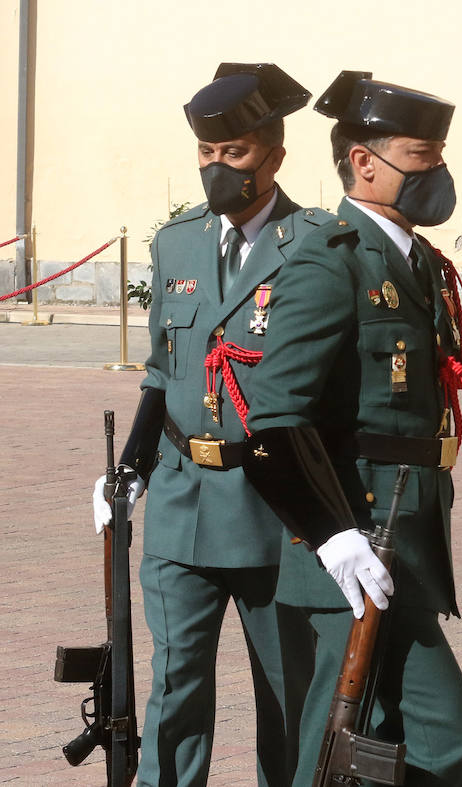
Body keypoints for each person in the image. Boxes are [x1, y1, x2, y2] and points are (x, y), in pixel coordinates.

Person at [240, 70, 462, 786]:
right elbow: (273, 419)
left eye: (440, 154)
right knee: (431, 738)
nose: (435, 171)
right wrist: (332, 533)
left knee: (362, 740)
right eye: (420, 155)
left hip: (405, 535)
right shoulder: (329, 258)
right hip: (356, 541)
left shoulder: (417, 261)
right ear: (364, 162)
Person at [88, 62, 323, 786]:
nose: (218, 169)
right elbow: (163, 370)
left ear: (276, 156)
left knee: (287, 691)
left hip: (273, 503)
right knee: (176, 683)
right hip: (185, 500)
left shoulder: (315, 244)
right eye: (207, 154)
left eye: (237, 153)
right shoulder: (177, 243)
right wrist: (129, 468)